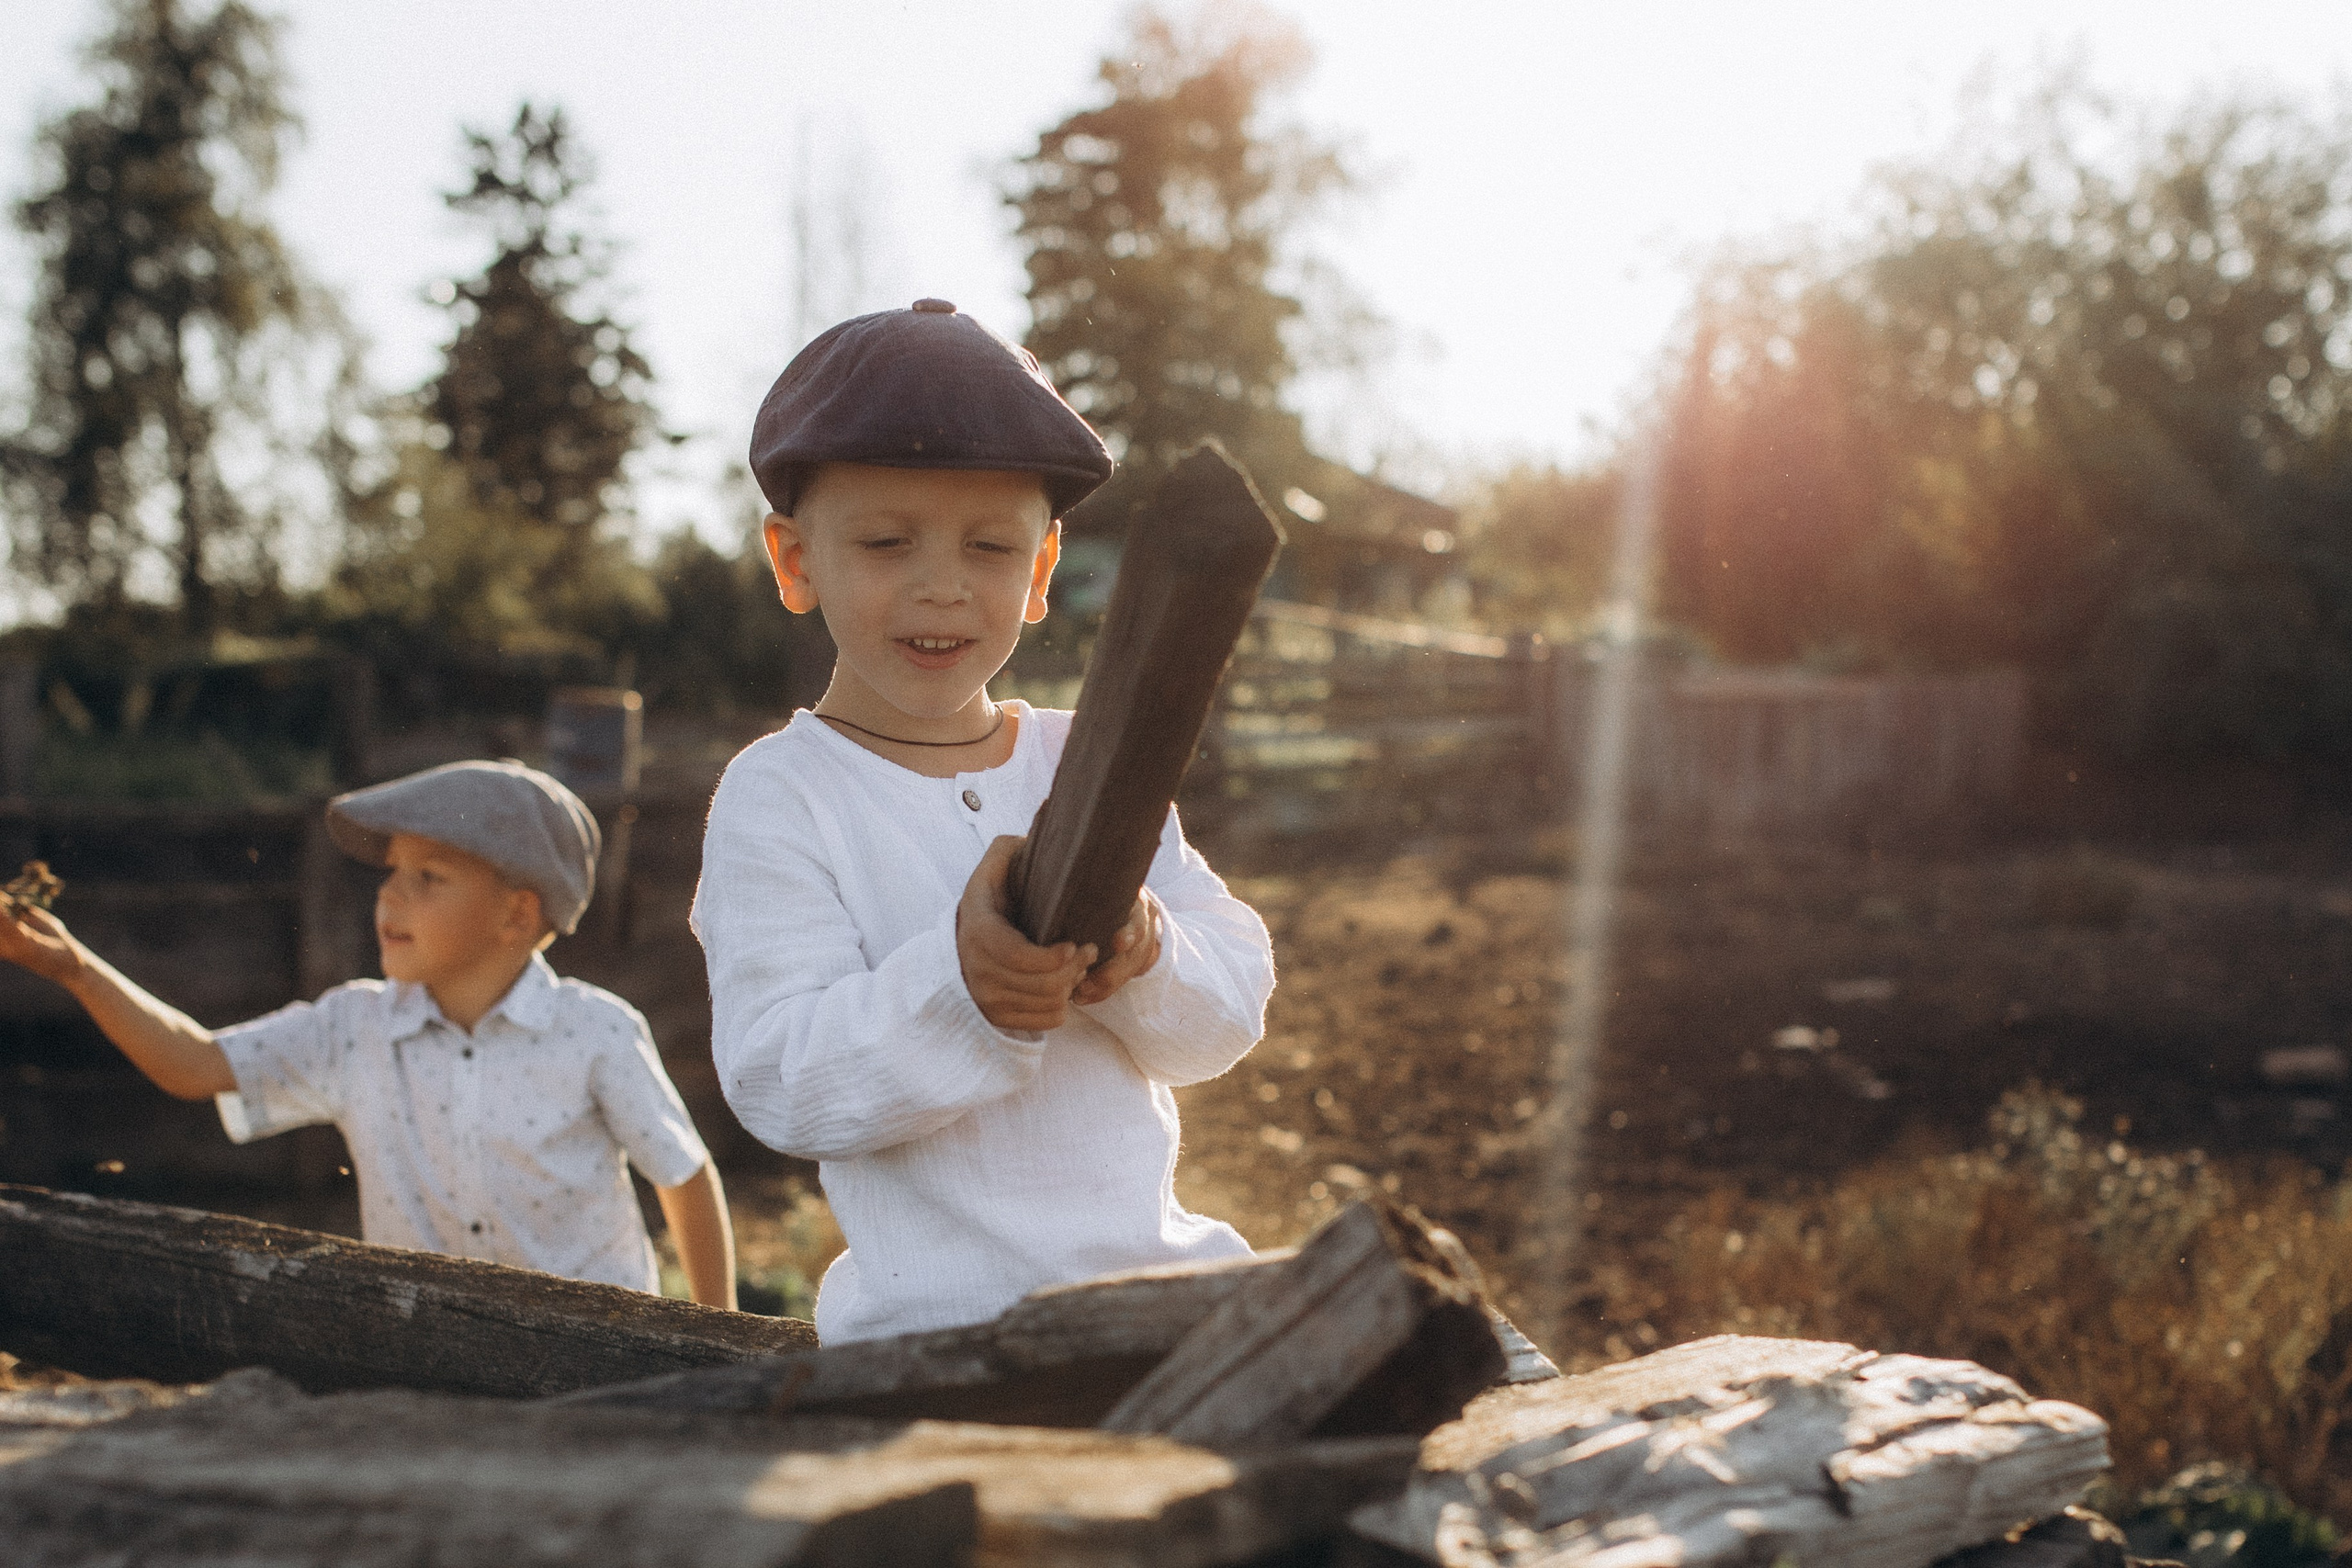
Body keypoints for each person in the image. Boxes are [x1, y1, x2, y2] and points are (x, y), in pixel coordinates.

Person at [695, 298, 1274, 1344]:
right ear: (795, 560)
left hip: (1165, 1306)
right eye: (885, 541)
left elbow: (1227, 1016)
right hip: (938, 1341)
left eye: (991, 548)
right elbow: (780, 1079)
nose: (943, 587)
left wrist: (1145, 951)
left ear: (1042, 570)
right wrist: (963, 993)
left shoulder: (1088, 756)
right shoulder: (780, 794)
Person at [0, 759, 736, 1306]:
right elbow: (194, 1064)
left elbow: (684, 1175)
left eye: (429, 876)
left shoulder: (597, 1032)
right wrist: (72, 968)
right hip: (419, 1363)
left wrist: (714, 1343)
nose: (389, 893)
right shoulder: (353, 1028)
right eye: (392, 872)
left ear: (517, 914)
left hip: (598, 1361)